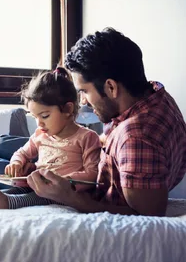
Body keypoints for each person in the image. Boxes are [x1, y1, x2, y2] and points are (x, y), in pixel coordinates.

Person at [25, 27, 186, 216]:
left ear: (111, 87)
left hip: (98, 199)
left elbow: (146, 218)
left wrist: (68, 197)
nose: (83, 100)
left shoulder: (136, 136)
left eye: (84, 91)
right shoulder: (157, 95)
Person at [0, 67, 101, 209]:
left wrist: (63, 181)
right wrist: (16, 163)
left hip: (64, 192)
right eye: (35, 117)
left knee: (37, 196)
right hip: (37, 184)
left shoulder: (87, 137)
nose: (39, 123)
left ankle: (7, 202)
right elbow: (22, 153)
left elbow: (93, 173)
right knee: (18, 189)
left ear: (68, 109)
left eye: (44, 116)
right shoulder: (40, 135)